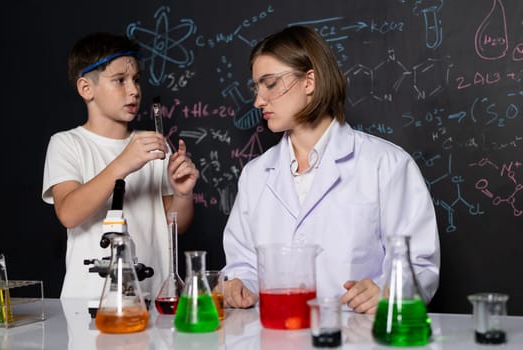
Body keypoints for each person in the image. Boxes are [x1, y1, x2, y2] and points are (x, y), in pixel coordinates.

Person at [221, 25, 440, 314]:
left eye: (270, 84)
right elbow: (243, 264)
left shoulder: (385, 164)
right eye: (256, 87)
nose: (258, 101)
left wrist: (389, 292)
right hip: (276, 335)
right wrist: (239, 285)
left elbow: (419, 266)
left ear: (309, 81)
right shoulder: (255, 175)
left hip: (359, 337)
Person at [42, 32, 199, 299]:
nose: (134, 90)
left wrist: (183, 194)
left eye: (136, 80)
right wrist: (123, 162)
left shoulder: (152, 144)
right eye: (120, 80)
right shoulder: (67, 143)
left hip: (153, 295)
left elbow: (177, 225)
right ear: (86, 88)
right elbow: (68, 213)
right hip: (90, 300)